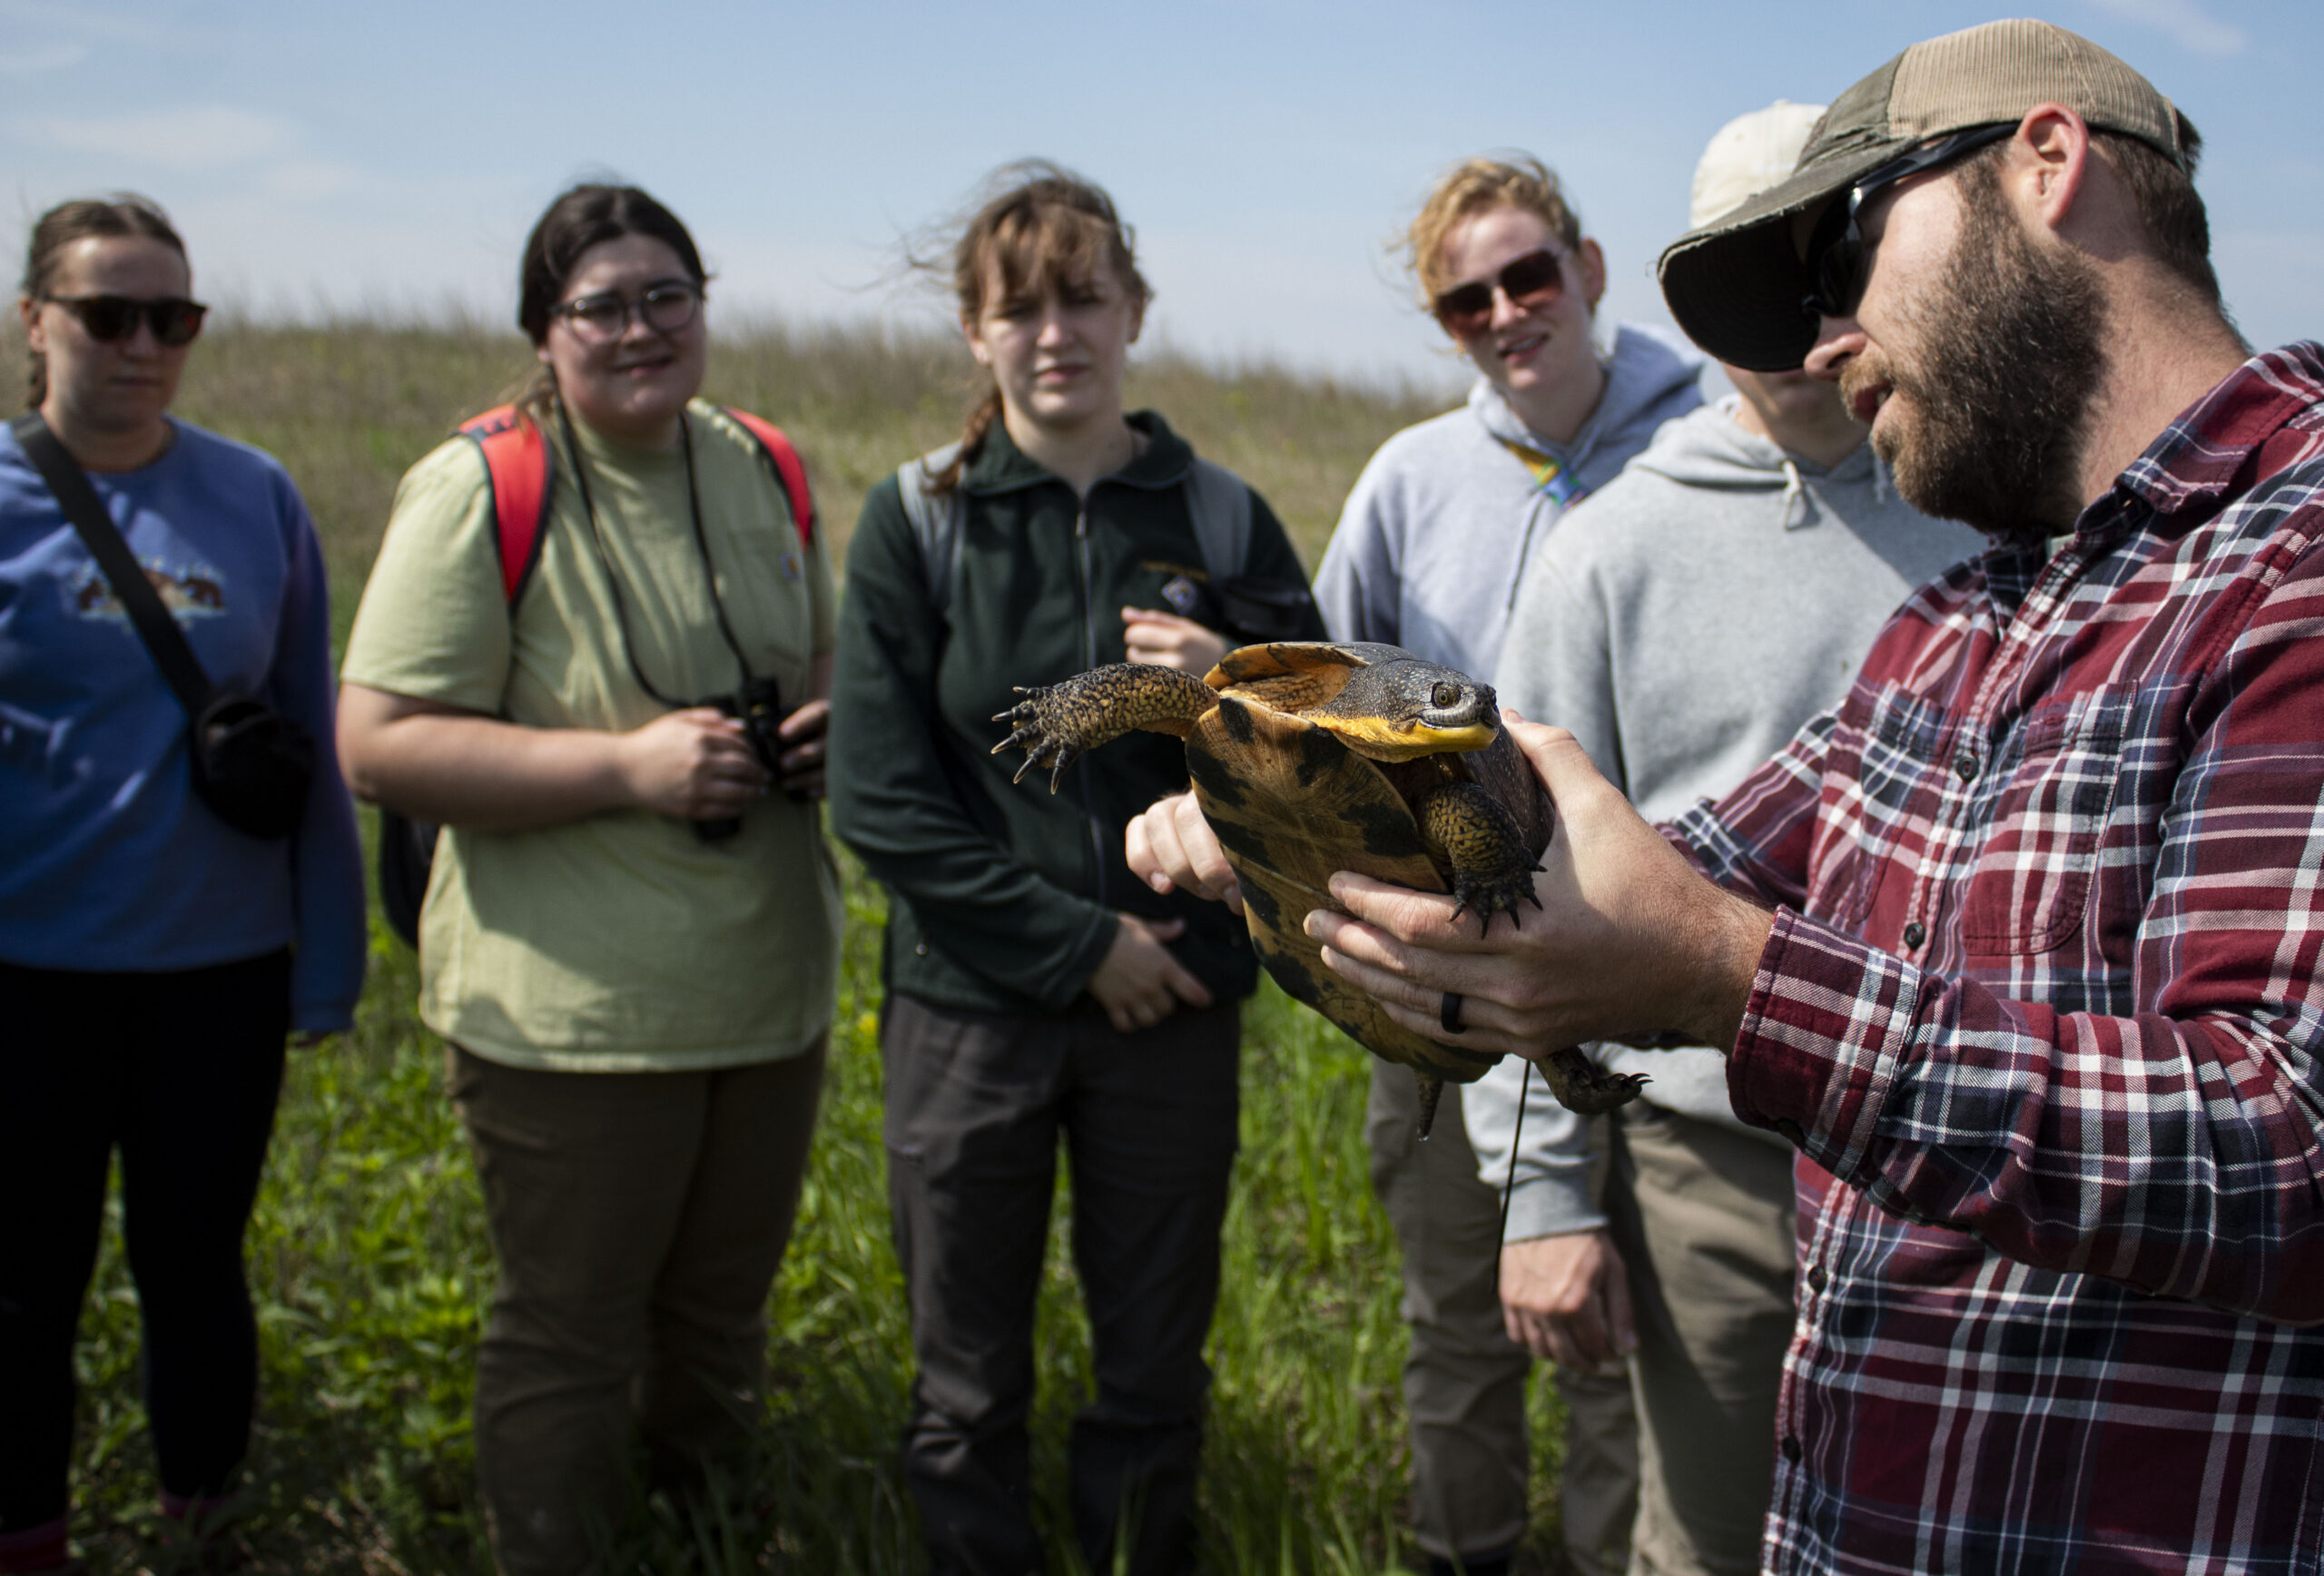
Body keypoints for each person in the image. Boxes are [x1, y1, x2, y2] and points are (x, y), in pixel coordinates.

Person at [1297, 19, 2324, 1574]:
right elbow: (1629, 876)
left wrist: (1727, 980)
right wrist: (1292, 820)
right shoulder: (1955, 627)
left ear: (2051, 164)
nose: (1824, 340)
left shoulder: (2291, 568)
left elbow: (2284, 1152)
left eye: (1844, 258)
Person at [1462, 103, 1987, 1576]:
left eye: (1818, 266)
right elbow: (1522, 891)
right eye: (1735, 279)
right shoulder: (1610, 551)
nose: (1786, 322)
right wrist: (1547, 1202)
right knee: (1706, 1543)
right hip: (1714, 1173)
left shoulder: (2000, 506)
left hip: (1975, 1151)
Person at [826, 162, 1324, 1576]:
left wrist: (1233, 677)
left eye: (1085, 298)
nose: (1057, 332)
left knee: (1153, 1376)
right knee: (965, 1386)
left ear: (1137, 312)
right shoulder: (917, 521)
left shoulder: (1220, 520)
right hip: (968, 1013)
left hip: (1175, 1010)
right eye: (1020, 306)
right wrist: (1073, 945)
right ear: (975, 333)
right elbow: (879, 797)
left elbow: (1334, 755)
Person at [335, 183, 839, 1575]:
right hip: (570, 1018)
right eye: (600, 306)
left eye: (667, 296)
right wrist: (624, 771)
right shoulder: (482, 486)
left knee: (720, 1319)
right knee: (568, 1335)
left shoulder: (766, 464)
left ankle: (706, 1535)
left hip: (768, 996)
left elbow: (821, 660)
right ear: (543, 332)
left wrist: (825, 727)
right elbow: (375, 745)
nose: (640, 329)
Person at [1314, 154, 1702, 1576]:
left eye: (1530, 275)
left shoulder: (1710, 442)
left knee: (1632, 1348)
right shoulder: (1409, 482)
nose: (1505, 311)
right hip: (1438, 972)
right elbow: (1326, 694)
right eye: (1465, 297)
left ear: (1591, 270)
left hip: (1654, 968)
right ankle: (1462, 1552)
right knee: (1458, 1322)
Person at [0, 196, 365, 1576]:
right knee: (24, 1291)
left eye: (174, 318)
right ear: (36, 323)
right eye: (108, 315)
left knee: (194, 1273)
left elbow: (309, 742)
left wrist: (327, 961)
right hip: (24, 970)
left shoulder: (254, 495)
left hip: (213, 970)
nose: (144, 344)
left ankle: (199, 1533)